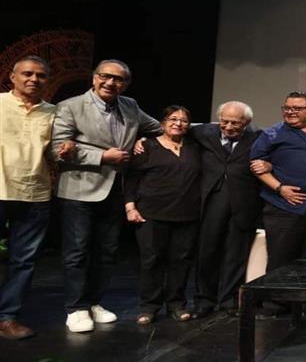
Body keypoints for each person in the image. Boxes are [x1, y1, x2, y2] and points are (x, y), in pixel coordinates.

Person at [52, 59, 162, 333]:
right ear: (94, 77)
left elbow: (160, 129)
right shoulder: (71, 106)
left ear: (126, 84)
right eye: (105, 76)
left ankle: (93, 302)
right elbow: (57, 148)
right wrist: (102, 156)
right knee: (78, 251)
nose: (110, 83)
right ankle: (76, 308)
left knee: (107, 252)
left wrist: (143, 139)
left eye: (118, 79)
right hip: (79, 189)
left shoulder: (130, 105)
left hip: (115, 189)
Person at [249, 91, 306, 316]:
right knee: (281, 256)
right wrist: (280, 188)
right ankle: (276, 303)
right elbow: (256, 165)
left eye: (297, 108)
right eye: (287, 108)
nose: (290, 112)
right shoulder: (272, 134)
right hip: (284, 206)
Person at [124, 106, 201, 325]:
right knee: (152, 261)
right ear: (162, 122)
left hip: (187, 215)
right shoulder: (146, 147)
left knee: (181, 262)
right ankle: (149, 307)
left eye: (184, 120)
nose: (178, 123)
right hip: (151, 215)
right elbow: (132, 179)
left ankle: (176, 304)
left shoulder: (196, 147)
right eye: (173, 119)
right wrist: (130, 207)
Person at [188, 101, 263, 319]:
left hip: (244, 204)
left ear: (246, 123)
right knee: (207, 253)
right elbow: (173, 127)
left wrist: (266, 165)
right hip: (212, 200)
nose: (229, 127)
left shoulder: (257, 138)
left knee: (236, 255)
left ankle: (229, 300)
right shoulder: (203, 132)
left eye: (235, 123)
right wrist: (144, 140)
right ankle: (204, 300)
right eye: (225, 121)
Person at [0, 56, 57, 339]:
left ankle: (7, 318)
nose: (34, 79)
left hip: (35, 193)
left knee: (23, 261)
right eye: (27, 73)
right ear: (13, 77)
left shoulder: (54, 113)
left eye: (41, 75)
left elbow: (55, 152)